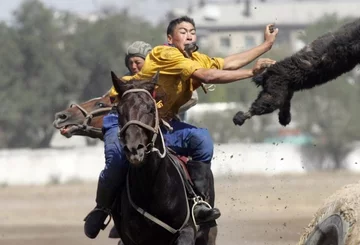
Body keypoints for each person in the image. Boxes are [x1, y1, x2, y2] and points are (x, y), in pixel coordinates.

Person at [84, 16, 278, 239]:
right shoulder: (166, 54)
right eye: (183, 31)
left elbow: (226, 63)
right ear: (170, 38)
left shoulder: (194, 58)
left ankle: (199, 204)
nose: (189, 35)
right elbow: (207, 75)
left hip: (159, 123)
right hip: (126, 117)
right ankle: (102, 209)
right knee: (119, 158)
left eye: (192, 31)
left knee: (201, 141)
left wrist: (266, 45)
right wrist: (251, 73)